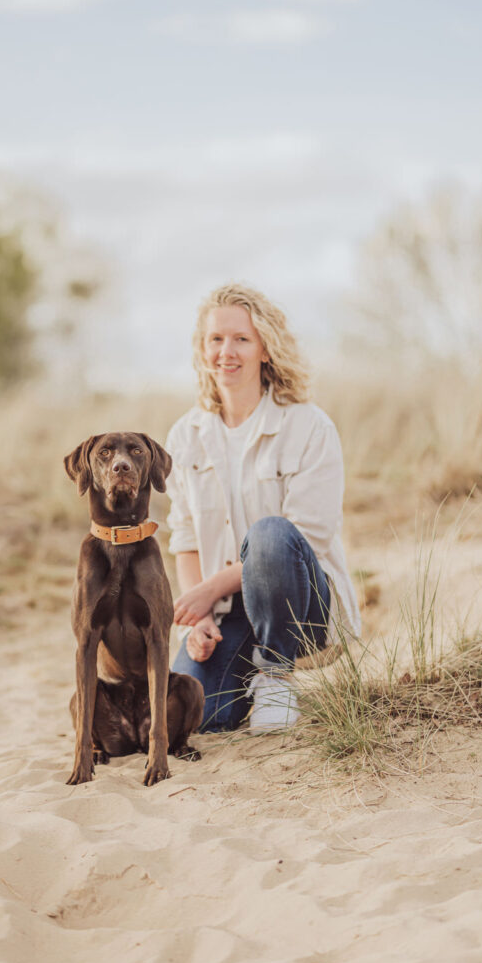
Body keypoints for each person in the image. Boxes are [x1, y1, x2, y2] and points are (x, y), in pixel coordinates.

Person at [165, 283, 361, 734]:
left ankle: (275, 674)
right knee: (203, 717)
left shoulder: (308, 426)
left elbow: (306, 537)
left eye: (241, 339)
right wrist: (196, 623)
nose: (226, 352)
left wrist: (212, 586)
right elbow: (186, 536)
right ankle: (242, 673)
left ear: (265, 350)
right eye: (215, 339)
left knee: (271, 534)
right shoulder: (185, 436)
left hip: (301, 603)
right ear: (202, 349)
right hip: (229, 609)